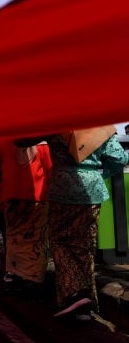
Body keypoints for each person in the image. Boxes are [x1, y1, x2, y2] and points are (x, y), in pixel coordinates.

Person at [44, 132, 127, 320]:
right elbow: (119, 157)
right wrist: (99, 172)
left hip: (62, 187)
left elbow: (22, 140)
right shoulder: (99, 126)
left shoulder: (56, 123)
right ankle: (88, 299)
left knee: (60, 241)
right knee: (85, 245)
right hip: (92, 189)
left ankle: (73, 294)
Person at [0, 141, 52, 297]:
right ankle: (32, 278)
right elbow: (50, 171)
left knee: (14, 237)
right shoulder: (43, 145)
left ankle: (13, 274)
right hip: (37, 196)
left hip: (10, 196)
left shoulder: (4, 144)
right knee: (36, 239)